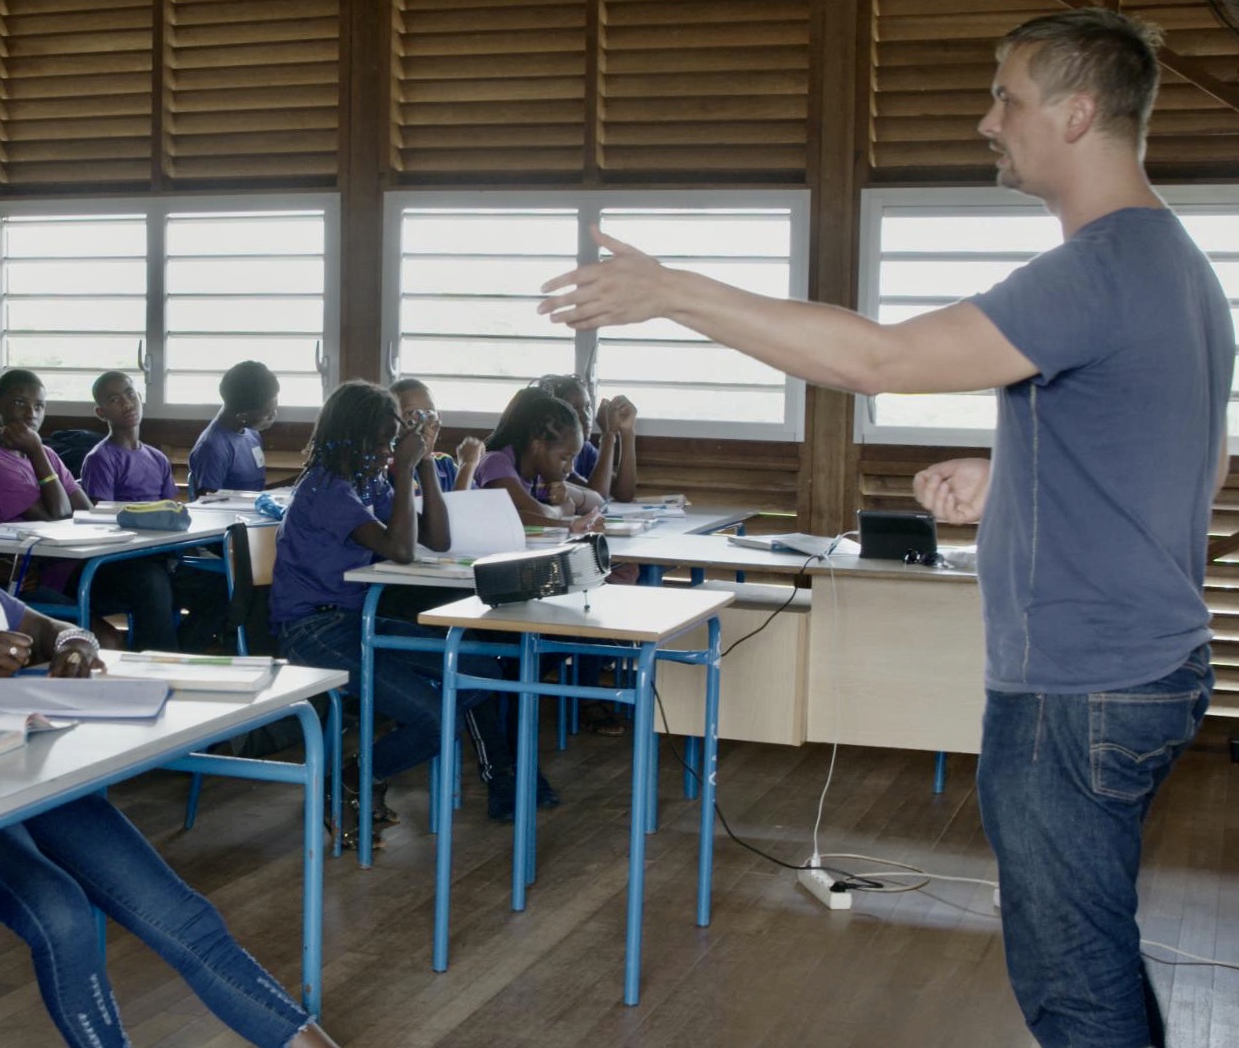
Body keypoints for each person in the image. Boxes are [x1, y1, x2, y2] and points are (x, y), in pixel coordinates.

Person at [539, 10, 1228, 1045]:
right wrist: (1017, 477)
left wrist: (668, 290)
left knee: (1073, 981)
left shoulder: (1096, 267)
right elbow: (1188, 451)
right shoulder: (1175, 265)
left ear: (1079, 112)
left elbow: (876, 362)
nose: (986, 119)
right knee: (1091, 944)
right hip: (1145, 664)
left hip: (1078, 689)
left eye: (1007, 97)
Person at [0, 434, 340, 1048]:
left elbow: (48, 625)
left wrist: (72, 644)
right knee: (62, 915)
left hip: (15, 774)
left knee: (176, 909)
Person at [271, 381, 538, 841]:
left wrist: (426, 464)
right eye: (378, 444)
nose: (384, 453)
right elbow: (400, 550)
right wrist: (404, 468)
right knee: (437, 719)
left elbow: (437, 539)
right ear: (349, 440)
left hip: (354, 622)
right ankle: (353, 780)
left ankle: (353, 776)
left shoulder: (365, 482)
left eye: (389, 444)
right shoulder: (327, 490)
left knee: (478, 667)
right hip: (312, 629)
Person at [79, 370, 226, 652]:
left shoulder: (156, 458)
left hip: (160, 556)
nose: (127, 403)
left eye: (130, 394)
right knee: (152, 584)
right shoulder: (101, 458)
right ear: (101, 412)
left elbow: (169, 512)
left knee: (219, 587)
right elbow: (102, 518)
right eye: (114, 399)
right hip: (119, 564)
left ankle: (179, 654)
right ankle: (157, 664)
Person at [473, 389, 606, 530]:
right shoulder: (496, 463)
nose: (570, 468)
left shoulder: (539, 475)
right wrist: (562, 510)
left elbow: (599, 502)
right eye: (565, 458)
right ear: (538, 446)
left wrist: (568, 492)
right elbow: (534, 513)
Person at [0, 368, 90, 523]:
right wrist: (35, 451)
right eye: (20, 403)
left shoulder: (47, 454)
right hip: (20, 547)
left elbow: (86, 510)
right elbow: (58, 518)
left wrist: (38, 451)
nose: (31, 414)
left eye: (38, 406)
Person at [532, 374, 638, 503]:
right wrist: (609, 434)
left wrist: (627, 432)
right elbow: (598, 497)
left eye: (588, 407)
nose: (586, 416)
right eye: (574, 408)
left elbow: (624, 494)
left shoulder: (584, 449)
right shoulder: (553, 455)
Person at [188, 361, 279, 496]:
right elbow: (207, 506)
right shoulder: (212, 449)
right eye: (267, 413)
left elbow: (253, 491)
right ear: (243, 416)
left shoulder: (251, 433)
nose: (274, 416)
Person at [388, 379, 482, 492]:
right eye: (411, 413)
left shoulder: (445, 463)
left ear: (438, 421)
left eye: (429, 412)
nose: (423, 421)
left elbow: (471, 506)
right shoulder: (389, 468)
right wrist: (467, 466)